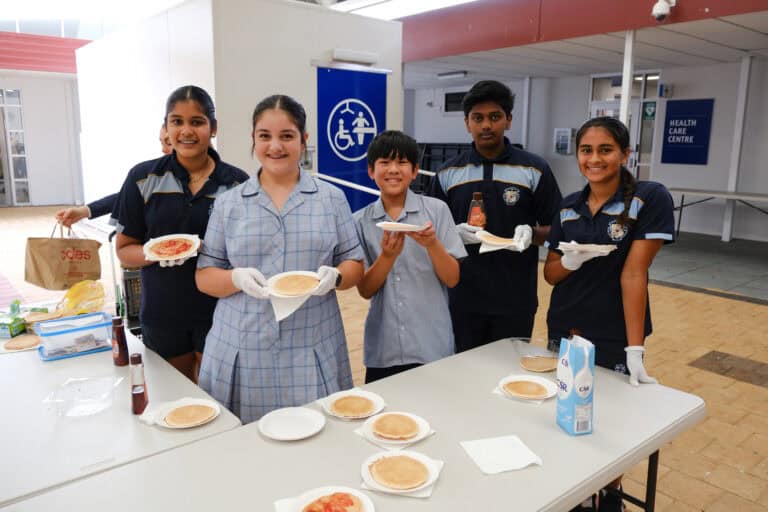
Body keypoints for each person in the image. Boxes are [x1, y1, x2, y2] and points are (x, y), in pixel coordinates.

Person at [195, 94, 364, 423]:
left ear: (303, 139)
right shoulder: (229, 204)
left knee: (315, 435)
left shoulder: (331, 199)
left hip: (312, 343)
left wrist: (337, 277)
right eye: (265, 136)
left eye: (287, 135)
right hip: (243, 344)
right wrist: (234, 278)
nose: (275, 146)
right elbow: (204, 276)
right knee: (244, 442)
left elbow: (354, 263)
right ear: (253, 138)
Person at [543, 117, 674, 512]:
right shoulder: (568, 206)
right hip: (566, 327)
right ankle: (574, 493)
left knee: (608, 426)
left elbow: (634, 273)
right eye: (586, 150)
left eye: (605, 150)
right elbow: (551, 274)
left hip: (614, 332)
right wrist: (571, 260)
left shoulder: (648, 198)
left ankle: (607, 495)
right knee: (567, 412)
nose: (595, 159)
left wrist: (635, 349)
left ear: (625, 154)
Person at [114, 86, 249, 382]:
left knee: (218, 395)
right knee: (175, 394)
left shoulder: (237, 184)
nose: (186, 131)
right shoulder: (142, 178)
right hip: (163, 310)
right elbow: (124, 250)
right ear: (165, 127)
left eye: (197, 122)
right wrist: (152, 253)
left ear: (213, 128)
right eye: (177, 121)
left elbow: (247, 251)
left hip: (221, 309)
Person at [427, 80, 562, 352]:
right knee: (462, 370)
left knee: (508, 368)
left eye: (495, 117)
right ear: (467, 123)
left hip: (515, 299)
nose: (486, 125)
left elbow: (559, 229)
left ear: (508, 120)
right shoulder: (447, 173)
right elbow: (430, 232)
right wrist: (452, 234)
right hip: (461, 297)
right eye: (478, 118)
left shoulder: (534, 169)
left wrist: (533, 233)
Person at [354, 130, 467, 383]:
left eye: (402, 162)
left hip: (432, 344)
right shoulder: (360, 221)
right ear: (371, 171)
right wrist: (387, 257)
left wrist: (432, 244)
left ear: (415, 170)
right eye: (385, 162)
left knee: (435, 406)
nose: (393, 169)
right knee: (384, 408)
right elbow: (365, 290)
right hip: (384, 348)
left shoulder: (437, 211)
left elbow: (452, 278)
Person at [55, 125, 173, 227]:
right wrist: (82, 212)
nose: (163, 150)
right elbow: (126, 197)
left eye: (169, 143)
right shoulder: (152, 173)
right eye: (161, 143)